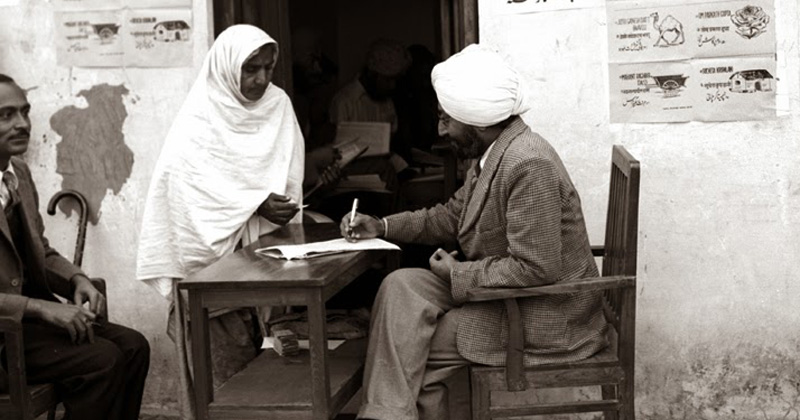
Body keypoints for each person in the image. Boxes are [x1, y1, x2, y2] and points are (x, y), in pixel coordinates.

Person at [340, 45, 609, 420]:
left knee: (416, 346)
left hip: (545, 313)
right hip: (503, 294)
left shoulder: (528, 163)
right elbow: (450, 216)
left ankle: (386, 414)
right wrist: (382, 225)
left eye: (446, 120)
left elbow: (536, 268)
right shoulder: (495, 154)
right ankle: (386, 414)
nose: (440, 129)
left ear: (479, 120)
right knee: (401, 286)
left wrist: (458, 274)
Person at [136, 25, 305, 419]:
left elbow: (287, 173)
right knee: (220, 390)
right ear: (228, 68)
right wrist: (253, 204)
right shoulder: (201, 115)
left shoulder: (277, 105)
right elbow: (184, 194)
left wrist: (278, 205)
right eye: (250, 69)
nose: (261, 79)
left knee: (271, 383)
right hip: (213, 275)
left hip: (267, 260)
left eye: (268, 67)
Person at [0, 73, 150, 420]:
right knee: (102, 362)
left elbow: (41, 250)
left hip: (26, 331)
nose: (21, 124)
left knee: (133, 347)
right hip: (4, 337)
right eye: (5, 115)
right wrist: (39, 308)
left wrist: (77, 280)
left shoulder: (17, 173)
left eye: (24, 111)